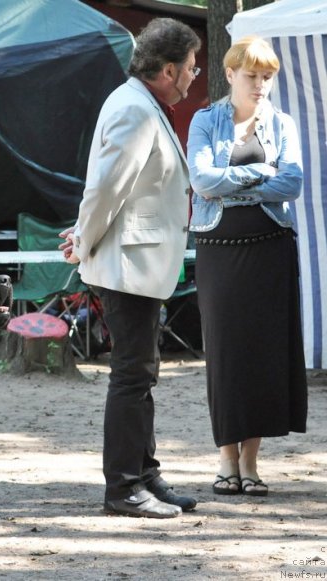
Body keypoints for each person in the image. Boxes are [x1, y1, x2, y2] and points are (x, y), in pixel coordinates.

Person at [59, 18, 201, 518]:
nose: (194, 73)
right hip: (128, 264)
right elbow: (105, 188)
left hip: (139, 263)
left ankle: (145, 474)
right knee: (131, 376)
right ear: (167, 69)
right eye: (189, 66)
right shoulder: (134, 108)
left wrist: (82, 236)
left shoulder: (142, 103)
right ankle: (123, 488)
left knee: (141, 373)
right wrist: (82, 240)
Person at [187, 36, 307, 497]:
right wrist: (261, 175)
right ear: (231, 74)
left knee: (263, 354)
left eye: (267, 77)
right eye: (252, 75)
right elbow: (202, 181)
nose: (260, 85)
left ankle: (251, 463)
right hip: (219, 249)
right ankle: (226, 458)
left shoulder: (283, 123)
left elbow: (293, 182)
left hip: (271, 248)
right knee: (225, 352)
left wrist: (232, 184)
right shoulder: (205, 120)